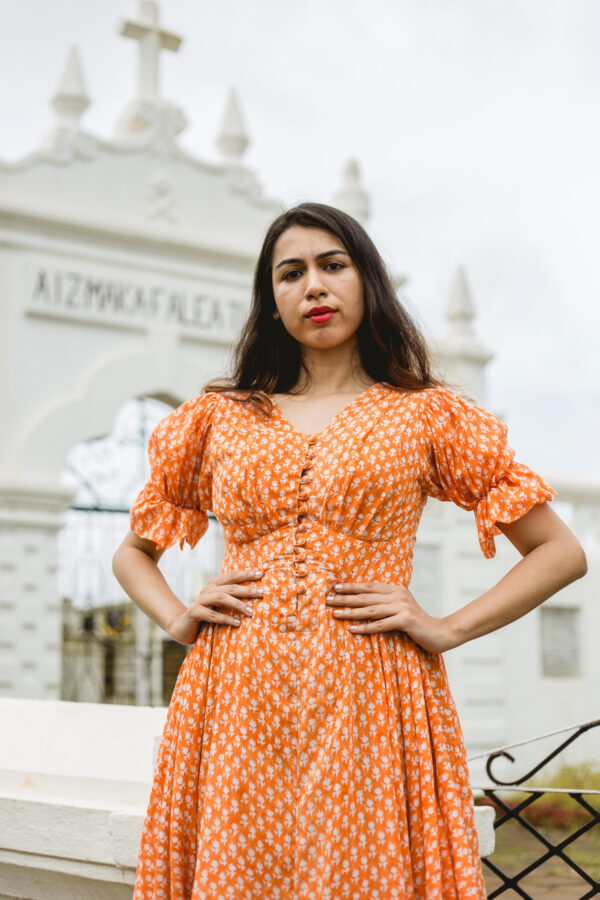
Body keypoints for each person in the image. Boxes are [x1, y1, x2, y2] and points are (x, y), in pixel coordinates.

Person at [113, 201, 587, 900]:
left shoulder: (426, 414)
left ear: (367, 282)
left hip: (373, 692)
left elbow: (560, 551)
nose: (313, 286)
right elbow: (132, 553)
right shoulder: (218, 419)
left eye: (333, 265)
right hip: (235, 695)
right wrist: (180, 618)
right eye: (290, 273)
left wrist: (446, 627)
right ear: (271, 303)